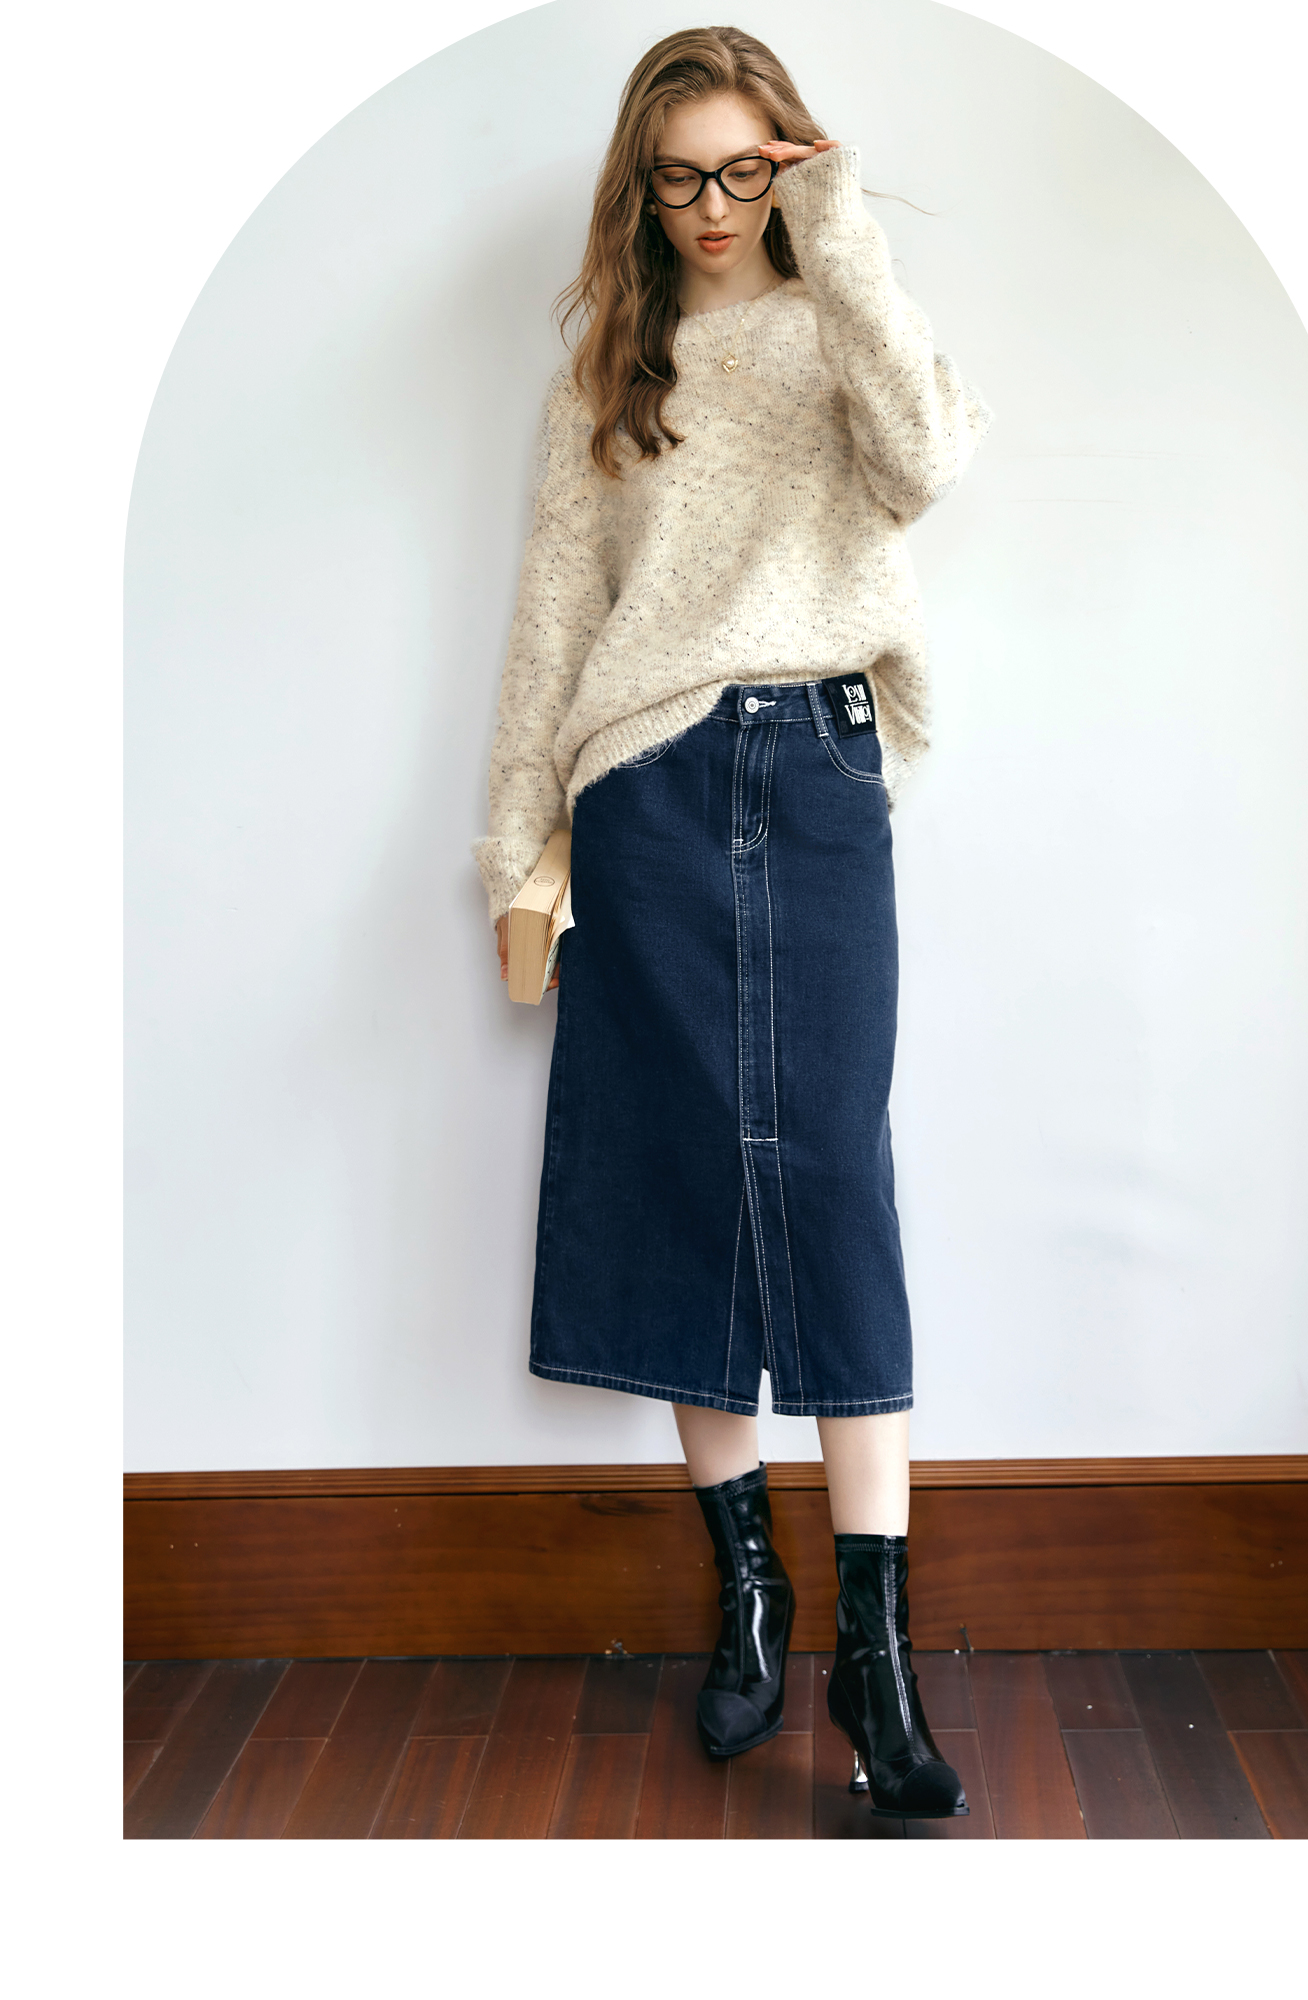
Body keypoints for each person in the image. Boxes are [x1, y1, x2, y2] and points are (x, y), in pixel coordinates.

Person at [474, 25, 989, 1821]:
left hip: (819, 762)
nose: (711, 205)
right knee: (683, 1170)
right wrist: (520, 850)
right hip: (645, 791)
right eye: (681, 174)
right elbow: (554, 616)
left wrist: (836, 234)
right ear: (641, 185)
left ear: (795, 162)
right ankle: (748, 1591)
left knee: (835, 1176)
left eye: (745, 168)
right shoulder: (612, 374)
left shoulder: (849, 320)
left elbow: (923, 463)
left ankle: (879, 1651)